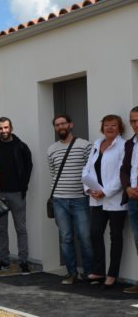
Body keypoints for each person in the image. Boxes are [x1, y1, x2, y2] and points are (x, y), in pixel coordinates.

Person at [47, 114, 93, 285]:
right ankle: (71, 273)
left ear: (71, 124)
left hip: (81, 199)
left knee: (85, 237)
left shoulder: (85, 145)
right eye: (57, 125)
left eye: (63, 123)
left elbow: (91, 170)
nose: (61, 127)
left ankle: (89, 273)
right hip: (59, 200)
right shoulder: (51, 149)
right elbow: (53, 173)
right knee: (65, 237)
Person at [82, 115, 127, 289]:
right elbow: (87, 168)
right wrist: (89, 189)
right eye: (106, 125)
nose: (109, 128)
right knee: (94, 233)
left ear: (119, 127)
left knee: (115, 237)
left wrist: (105, 191)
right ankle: (99, 271)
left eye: (113, 125)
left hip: (115, 200)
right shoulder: (96, 144)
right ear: (102, 127)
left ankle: (112, 274)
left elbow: (121, 173)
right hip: (96, 199)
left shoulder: (123, 146)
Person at [0, 117, 33, 274]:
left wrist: (24, 186)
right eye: (1, 128)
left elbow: (29, 166)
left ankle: (23, 261)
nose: (4, 131)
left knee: (20, 228)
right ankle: (4, 261)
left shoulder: (21, 146)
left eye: (6, 127)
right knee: (1, 228)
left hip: (17, 194)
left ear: (11, 128)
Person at [120, 106, 138, 293]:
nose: (135, 124)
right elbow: (124, 170)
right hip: (133, 200)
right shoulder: (129, 144)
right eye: (132, 120)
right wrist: (127, 188)